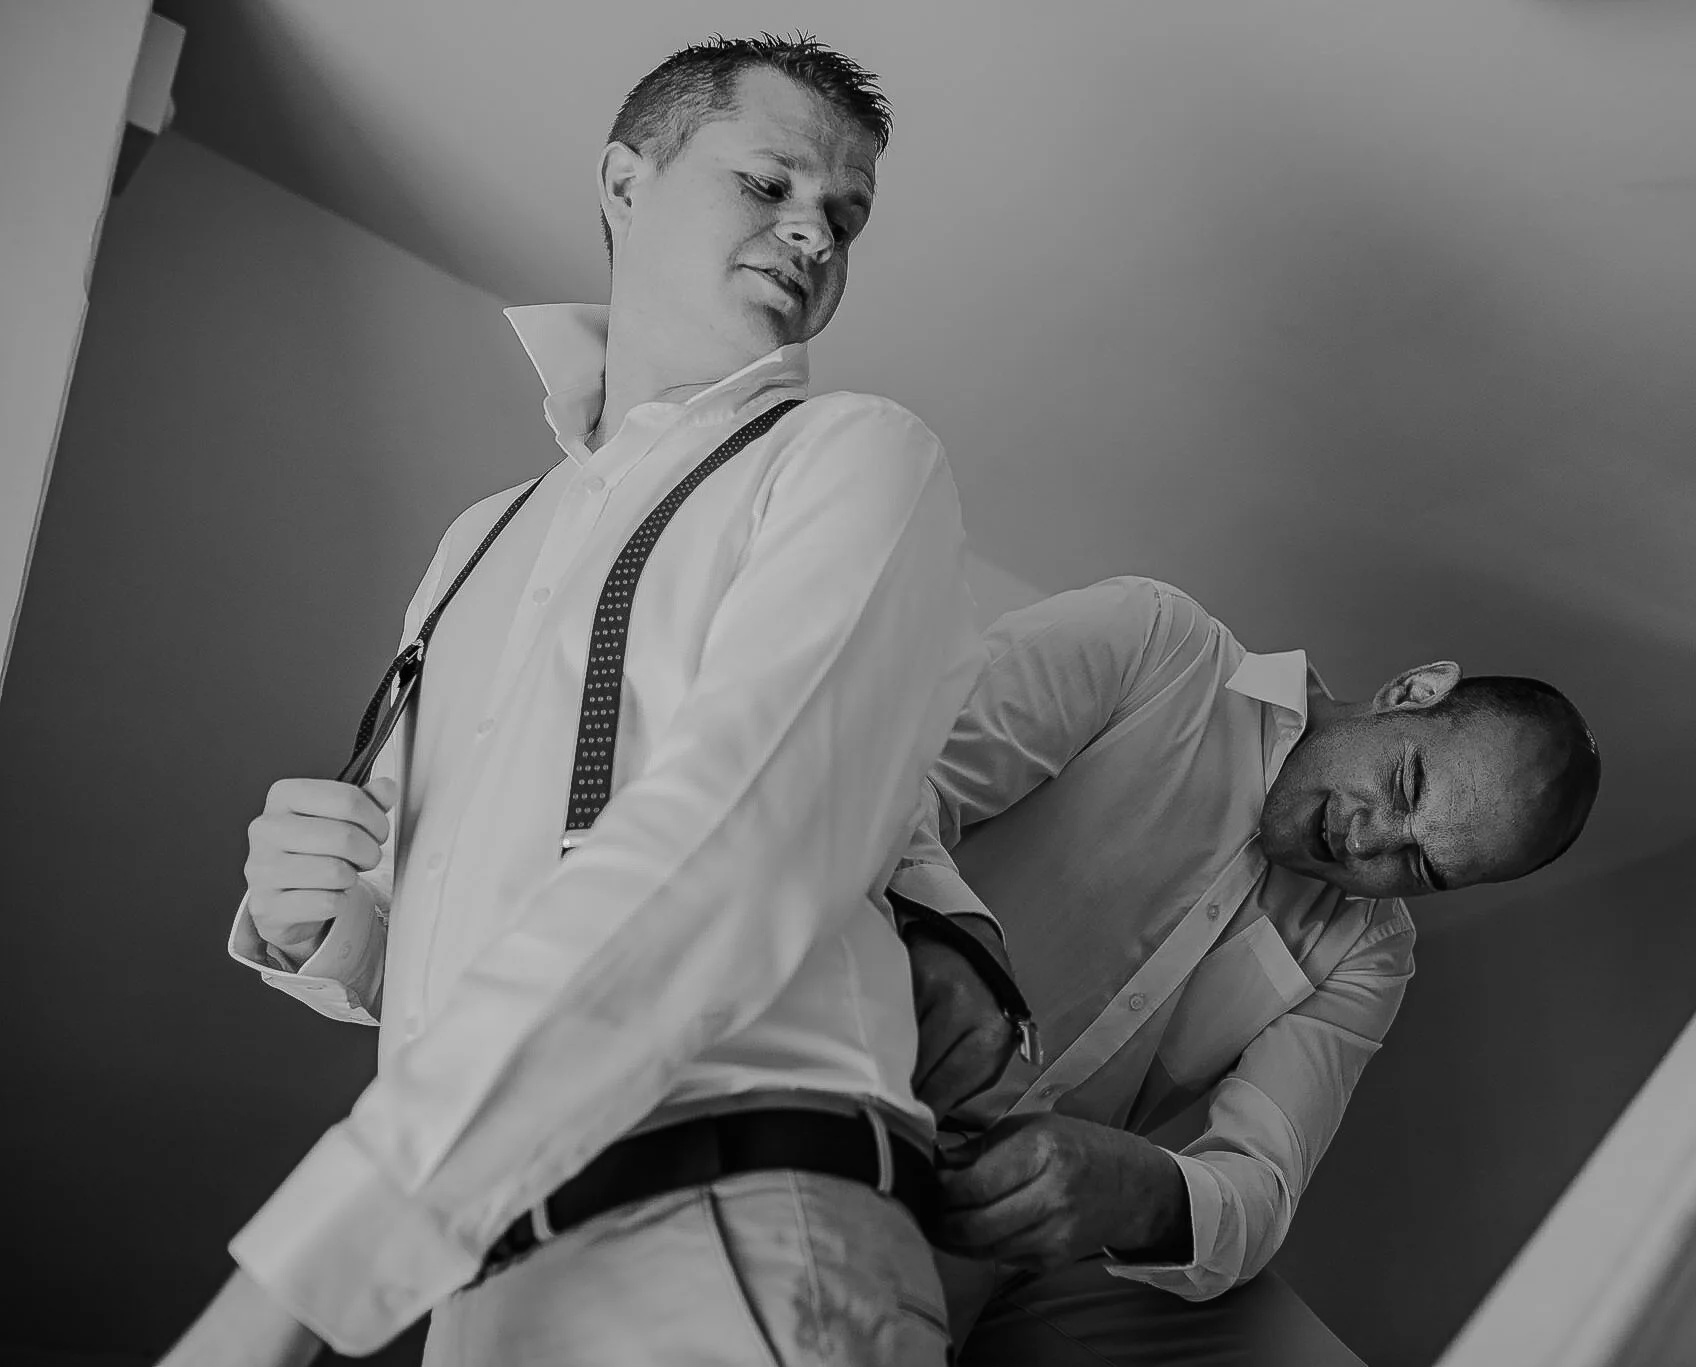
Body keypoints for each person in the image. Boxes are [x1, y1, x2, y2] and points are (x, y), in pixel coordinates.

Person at [155, 35, 986, 1367]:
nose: (813, 233)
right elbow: (455, 929)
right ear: (624, 181)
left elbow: (730, 851)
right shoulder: (478, 540)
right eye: (768, 182)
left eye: (845, 215)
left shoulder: (853, 456)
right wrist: (323, 923)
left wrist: (288, 1287)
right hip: (474, 1270)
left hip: (725, 1225)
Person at [890, 575, 1601, 1366]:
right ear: (1411, 690)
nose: (1368, 842)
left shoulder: (1369, 951)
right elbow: (890, 788)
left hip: (1020, 1230)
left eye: (1421, 866)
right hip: (849, 1055)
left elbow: (1260, 1184)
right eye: (1405, 785)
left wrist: (1139, 1194)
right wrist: (957, 944)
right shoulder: (1153, 644)